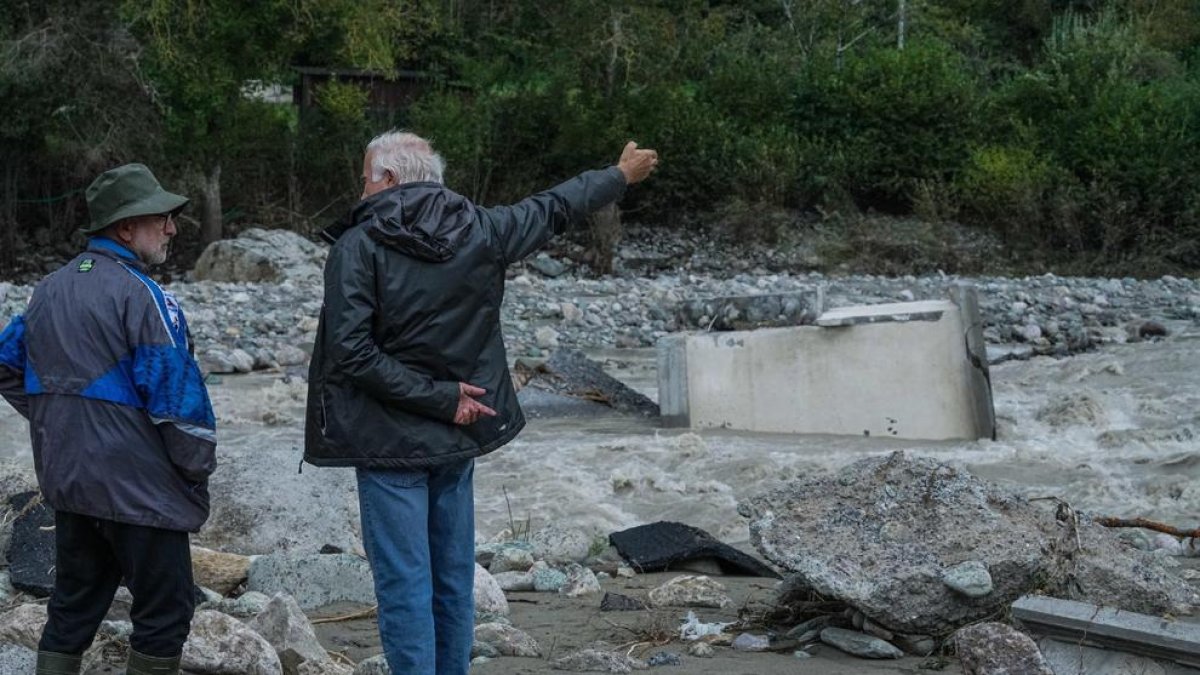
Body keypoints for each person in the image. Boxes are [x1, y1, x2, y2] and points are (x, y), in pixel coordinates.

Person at [304, 131, 658, 673]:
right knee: (451, 577)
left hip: (391, 440)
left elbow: (350, 353)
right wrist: (619, 175)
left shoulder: (359, 245)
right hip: (460, 431)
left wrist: (440, 399)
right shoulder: (482, 229)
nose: (361, 188)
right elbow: (556, 207)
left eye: (365, 178)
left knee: (405, 582)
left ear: (391, 179)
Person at [0, 164, 217, 675]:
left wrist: (60, 419)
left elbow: (6, 366)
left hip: (71, 483)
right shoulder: (144, 295)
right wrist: (195, 470)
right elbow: (178, 401)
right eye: (162, 218)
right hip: (139, 490)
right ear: (125, 228)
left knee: (73, 606)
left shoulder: (48, 290)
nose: (172, 229)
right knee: (165, 614)